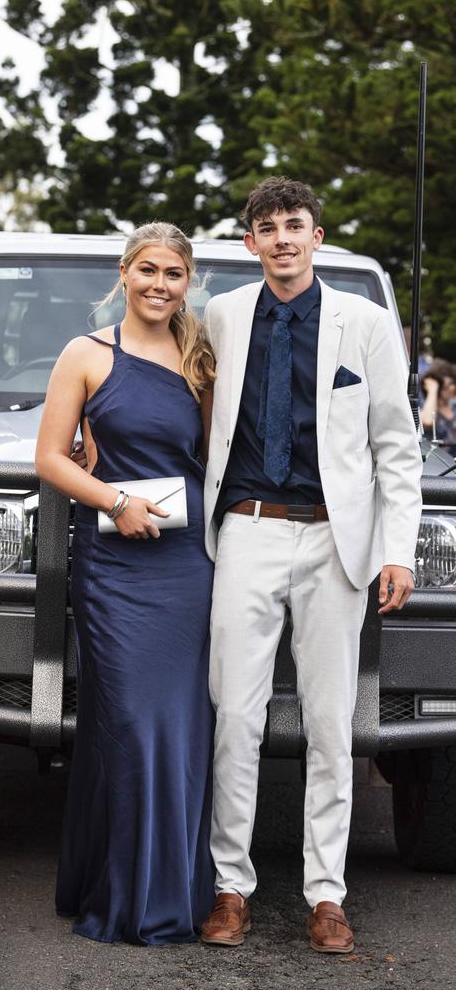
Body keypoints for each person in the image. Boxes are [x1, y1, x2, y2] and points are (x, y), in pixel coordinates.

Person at [199, 177, 423, 953]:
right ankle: (231, 888)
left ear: (317, 237)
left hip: (336, 541)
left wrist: (398, 550)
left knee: (330, 724)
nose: (283, 238)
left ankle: (325, 895)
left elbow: (397, 446)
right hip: (248, 531)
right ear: (249, 240)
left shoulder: (363, 322)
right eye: (268, 227)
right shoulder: (221, 318)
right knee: (234, 715)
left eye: (296, 225)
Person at [35, 223, 217, 944]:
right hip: (114, 565)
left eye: (174, 273)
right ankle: (131, 895)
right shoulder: (85, 354)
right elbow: (51, 459)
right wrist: (114, 498)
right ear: (123, 272)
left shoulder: (200, 356)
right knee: (130, 726)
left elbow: (218, 452)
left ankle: (167, 890)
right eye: (148, 270)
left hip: (187, 565)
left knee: (181, 727)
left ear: (188, 282)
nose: (160, 285)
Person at [420, 363, 456, 455]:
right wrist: (432, 390)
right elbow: (427, 422)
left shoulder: (454, 405)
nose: (452, 388)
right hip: (443, 465)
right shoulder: (427, 409)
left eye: (452, 383)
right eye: (447, 387)